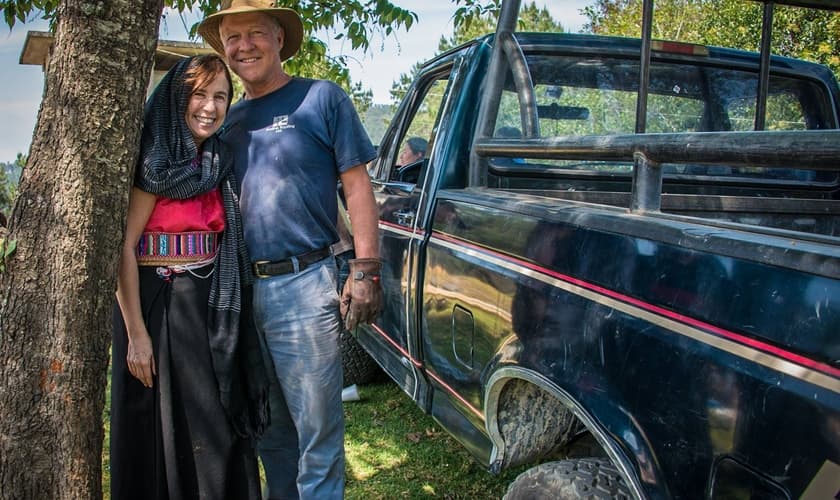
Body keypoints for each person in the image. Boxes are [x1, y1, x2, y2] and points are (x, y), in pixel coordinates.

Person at [198, 2, 384, 498]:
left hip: (306, 286)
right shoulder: (227, 122)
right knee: (270, 432)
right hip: (242, 293)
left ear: (279, 38)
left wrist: (366, 268)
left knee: (317, 435)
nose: (243, 46)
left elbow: (357, 186)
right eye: (232, 38)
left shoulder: (321, 99)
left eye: (255, 33)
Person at [111, 54, 268, 500]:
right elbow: (124, 247)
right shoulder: (154, 162)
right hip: (156, 309)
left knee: (214, 423)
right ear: (177, 98)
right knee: (160, 426)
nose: (210, 107)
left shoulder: (216, 160)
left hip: (209, 305)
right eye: (199, 94)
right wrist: (136, 335)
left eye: (221, 96)